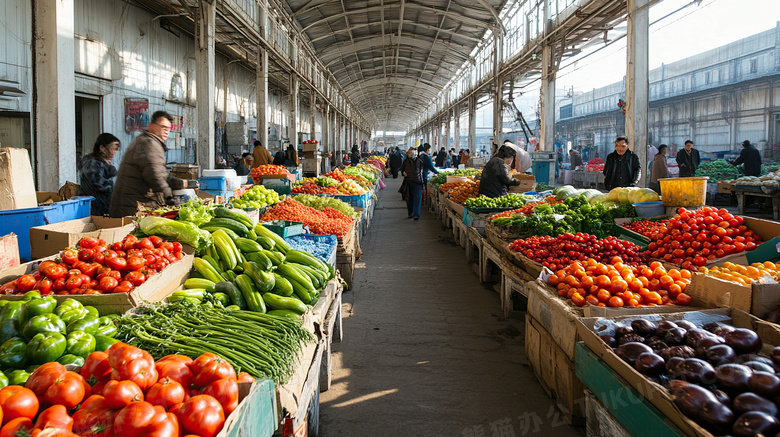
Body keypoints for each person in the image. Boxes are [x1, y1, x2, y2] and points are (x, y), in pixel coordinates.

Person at [110, 111, 191, 217]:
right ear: (151, 126)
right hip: (131, 208)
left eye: (168, 129)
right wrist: (169, 198)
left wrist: (179, 183)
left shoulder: (146, 141)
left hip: (128, 205)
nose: (166, 132)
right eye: (163, 127)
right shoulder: (149, 144)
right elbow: (155, 176)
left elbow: (161, 174)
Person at [78, 133, 120, 216]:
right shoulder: (93, 163)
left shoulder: (98, 162)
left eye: (116, 149)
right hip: (95, 207)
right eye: (113, 149)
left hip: (97, 206)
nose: (114, 152)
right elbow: (100, 184)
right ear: (102, 148)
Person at [401, 147, 423, 220]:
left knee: (417, 197)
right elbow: (402, 170)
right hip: (408, 182)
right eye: (411, 153)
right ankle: (410, 213)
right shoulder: (405, 161)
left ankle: (416, 214)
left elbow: (422, 170)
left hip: (418, 182)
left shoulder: (420, 161)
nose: (413, 154)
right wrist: (403, 172)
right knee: (409, 198)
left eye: (415, 152)